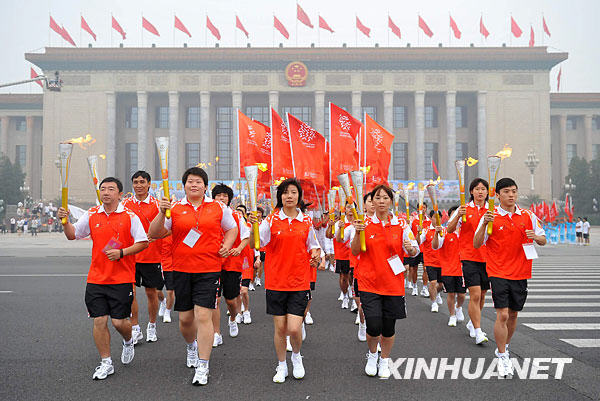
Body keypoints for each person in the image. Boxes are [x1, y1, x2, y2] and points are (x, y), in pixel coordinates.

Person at [148, 167, 238, 386]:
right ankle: (191, 347)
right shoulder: (175, 208)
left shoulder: (218, 207)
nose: (194, 184)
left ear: (205, 186)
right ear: (184, 185)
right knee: (186, 321)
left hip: (209, 270)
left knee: (203, 316)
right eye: (190, 181)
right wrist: (162, 212)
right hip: (182, 270)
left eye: (199, 181)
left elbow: (232, 229)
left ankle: (203, 365)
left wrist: (226, 245)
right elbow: (153, 233)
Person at [57, 177, 149, 380]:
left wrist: (122, 252)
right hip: (96, 278)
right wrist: (65, 223)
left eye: (110, 189)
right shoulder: (92, 214)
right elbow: (72, 235)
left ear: (119, 194)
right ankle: (106, 362)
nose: (106, 192)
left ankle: (127, 340)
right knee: (99, 320)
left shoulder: (129, 216)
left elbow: (143, 242)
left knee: (119, 323)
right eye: (103, 189)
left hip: (122, 278)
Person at [248, 178, 321, 383]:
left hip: (299, 280)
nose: (289, 196)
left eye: (293, 193)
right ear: (279, 196)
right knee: (280, 329)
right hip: (276, 282)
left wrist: (316, 255)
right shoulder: (270, 221)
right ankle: (281, 365)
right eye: (285, 193)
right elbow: (258, 242)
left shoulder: (305, 221)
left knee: (294, 328)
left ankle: (296, 357)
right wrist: (254, 226)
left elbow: (313, 245)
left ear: (299, 197)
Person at [474, 177, 546, 378]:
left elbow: (543, 240)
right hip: (497, 271)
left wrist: (535, 237)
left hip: (520, 271)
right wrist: (483, 225)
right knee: (503, 314)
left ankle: (503, 346)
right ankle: (503, 355)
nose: (511, 195)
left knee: (513, 314)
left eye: (514, 191)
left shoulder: (528, 215)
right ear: (497, 195)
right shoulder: (490, 216)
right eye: (506, 191)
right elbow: (477, 243)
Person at [346, 184, 419, 378]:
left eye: (385, 198)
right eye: (377, 198)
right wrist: (358, 233)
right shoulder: (363, 224)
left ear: (391, 201)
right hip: (369, 282)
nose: (381, 201)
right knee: (373, 325)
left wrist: (410, 248)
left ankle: (385, 360)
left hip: (393, 284)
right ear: (372, 202)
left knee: (388, 328)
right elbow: (354, 251)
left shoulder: (401, 225)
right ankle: (372, 354)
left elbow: (414, 249)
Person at [447, 178, 490, 345]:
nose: (480, 192)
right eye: (477, 189)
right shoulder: (464, 209)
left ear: (488, 192)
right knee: (475, 294)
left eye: (483, 189)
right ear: (471, 191)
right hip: (468, 257)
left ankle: (473, 321)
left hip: (489, 258)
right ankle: (478, 330)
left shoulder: (492, 210)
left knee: (483, 294)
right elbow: (450, 229)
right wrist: (458, 214)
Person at [123, 171, 164, 344]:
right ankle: (135, 327)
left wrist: (156, 236)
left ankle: (152, 326)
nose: (138, 185)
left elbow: (168, 229)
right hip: (131, 256)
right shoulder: (125, 205)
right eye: (135, 182)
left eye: (142, 182)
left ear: (149, 184)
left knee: (151, 293)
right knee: (130, 294)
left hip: (151, 256)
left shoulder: (157, 205)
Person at [211, 183, 250, 346]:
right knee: (215, 300)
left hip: (232, 263)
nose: (221, 198)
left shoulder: (236, 216)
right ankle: (216, 333)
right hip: (212, 262)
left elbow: (246, 236)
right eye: (218, 195)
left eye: (224, 196)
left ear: (229, 199)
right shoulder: (209, 213)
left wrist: (238, 249)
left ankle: (233, 318)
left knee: (231, 301)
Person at [432, 206, 466, 327]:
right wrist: (436, 234)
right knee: (451, 294)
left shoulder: (466, 232)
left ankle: (459, 307)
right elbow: (435, 246)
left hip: (462, 269)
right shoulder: (444, 232)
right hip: (448, 268)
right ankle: (452, 315)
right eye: (454, 215)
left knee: (462, 295)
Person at [420, 210, 444, 313]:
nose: (437, 219)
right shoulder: (426, 231)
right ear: (431, 218)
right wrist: (418, 232)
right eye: (435, 217)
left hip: (443, 262)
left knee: (441, 285)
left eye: (439, 217)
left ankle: (437, 294)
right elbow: (418, 241)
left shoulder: (445, 230)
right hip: (430, 261)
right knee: (433, 283)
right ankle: (434, 303)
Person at [407, 202, 430, 297]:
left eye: (424, 208)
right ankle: (415, 286)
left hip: (425, 249)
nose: (422, 210)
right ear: (417, 209)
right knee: (414, 269)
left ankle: (424, 288)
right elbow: (408, 232)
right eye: (421, 208)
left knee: (425, 269)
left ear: (426, 209)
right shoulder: (413, 221)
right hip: (416, 249)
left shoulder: (429, 221)